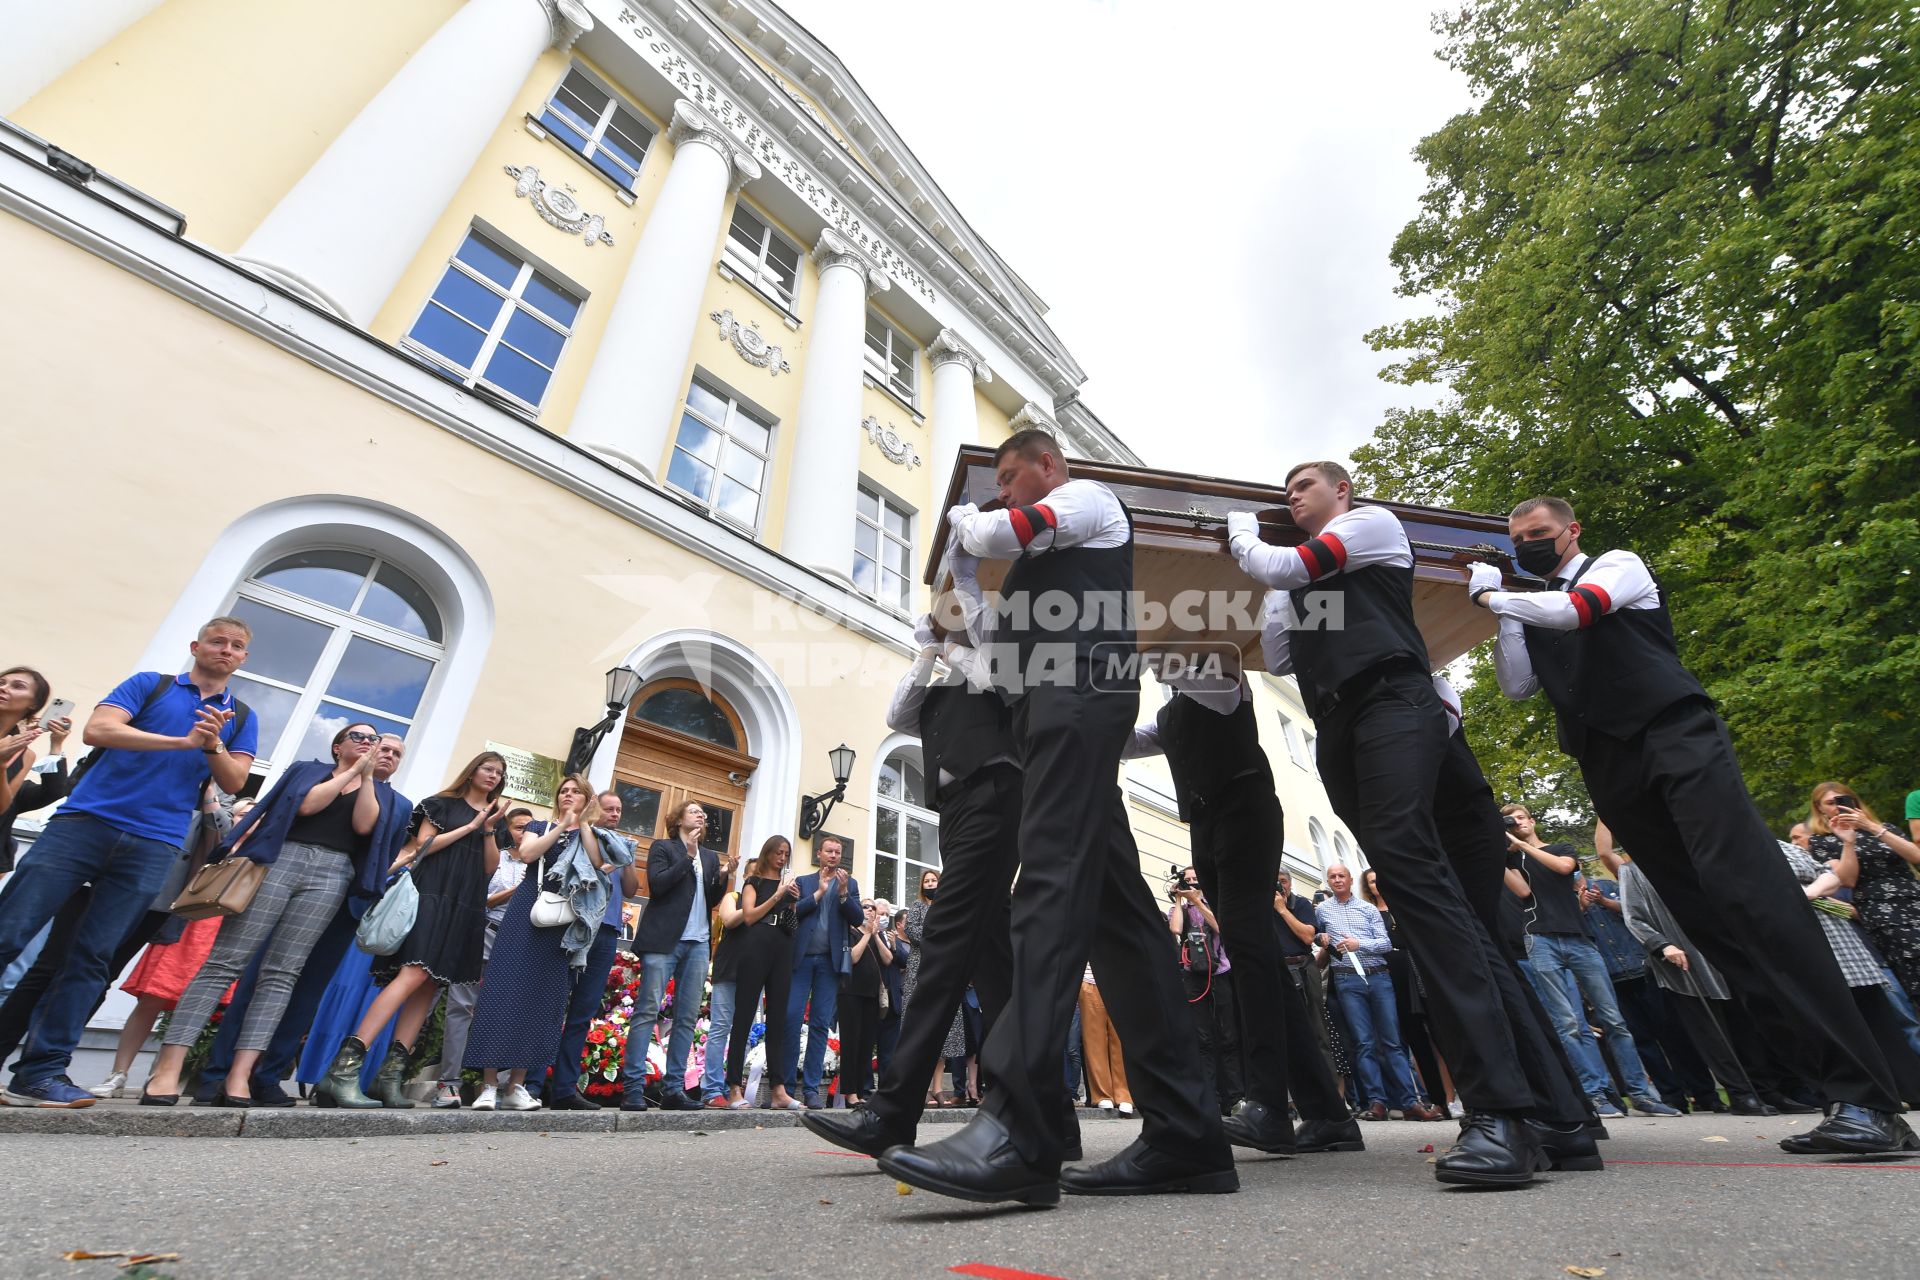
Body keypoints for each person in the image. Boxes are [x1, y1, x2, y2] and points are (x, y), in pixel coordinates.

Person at [1471, 495, 1914, 1154]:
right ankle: (1838, 1094)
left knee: (1751, 896)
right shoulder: (1528, 605)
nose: (1529, 544)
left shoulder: (1615, 566)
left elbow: (1577, 611)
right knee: (1712, 925)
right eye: (1519, 539)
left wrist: (1491, 599)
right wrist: (1506, 607)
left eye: (1539, 533)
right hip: (1607, 761)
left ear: (1572, 530)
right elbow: (1516, 686)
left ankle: (1875, 1102)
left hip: (1674, 736)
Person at [883, 431, 1233, 1206]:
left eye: (1014, 477)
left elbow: (1004, 528)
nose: (1006, 491)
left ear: (1050, 466)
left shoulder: (1088, 504)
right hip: (1047, 715)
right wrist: (967, 579)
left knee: (1045, 883)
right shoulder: (1035, 565)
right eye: (1000, 483)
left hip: (1081, 700)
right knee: (1123, 922)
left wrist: (967, 531)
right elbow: (997, 651)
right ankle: (1187, 1135)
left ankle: (1020, 1126)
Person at [1232, 463, 1542, 1183]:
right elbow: (1281, 652)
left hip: (1391, 702)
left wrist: (1243, 534)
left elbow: (1282, 559)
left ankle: (1502, 1111)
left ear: (1341, 490)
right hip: (1338, 719)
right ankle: (1538, 1112)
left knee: (1411, 868)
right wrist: (1282, 589)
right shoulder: (1310, 582)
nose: (1291, 496)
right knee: (1414, 883)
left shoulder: (1368, 525)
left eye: (1303, 484)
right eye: (1285, 492)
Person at [0, 618, 258, 1107]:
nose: (226, 650)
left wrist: (212, 744)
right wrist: (181, 742)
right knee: (9, 932)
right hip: (84, 824)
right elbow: (99, 729)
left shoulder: (240, 715)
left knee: (93, 959)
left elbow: (236, 780)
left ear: (244, 658)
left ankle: (40, 1073)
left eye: (237, 646)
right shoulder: (151, 685)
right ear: (196, 646)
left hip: (154, 844)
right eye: (218, 641)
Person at [141, 722, 398, 1106]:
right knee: (224, 963)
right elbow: (308, 805)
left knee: (283, 974)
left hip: (333, 874)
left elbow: (364, 825)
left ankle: (241, 1074)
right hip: (280, 861)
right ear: (337, 744)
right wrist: (349, 772)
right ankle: (168, 1069)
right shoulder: (308, 771)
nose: (368, 743)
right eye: (358, 736)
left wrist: (363, 778)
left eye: (373, 740)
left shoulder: (373, 789)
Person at [1119, 665, 1316, 1154]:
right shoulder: (1170, 714)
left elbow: (1207, 686)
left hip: (1244, 813)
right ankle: (1328, 1114)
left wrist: (1148, 640)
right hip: (1206, 824)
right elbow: (1125, 742)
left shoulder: (1224, 680)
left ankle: (1268, 1105)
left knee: (1250, 952)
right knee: (1259, 957)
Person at [205, 734, 411, 1107]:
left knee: (306, 993)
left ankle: (267, 1077)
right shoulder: (317, 776)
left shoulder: (399, 804)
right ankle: (217, 1074)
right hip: (285, 888)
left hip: (342, 905)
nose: (389, 755)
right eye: (384, 748)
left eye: (397, 754)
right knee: (257, 979)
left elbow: (384, 853)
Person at [312, 751, 505, 1108]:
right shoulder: (439, 805)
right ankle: (342, 1072)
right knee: (412, 976)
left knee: (428, 986)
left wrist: (488, 829)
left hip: (464, 904)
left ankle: (390, 1079)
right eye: (487, 768)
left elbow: (489, 867)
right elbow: (422, 847)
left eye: (499, 772)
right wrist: (469, 827)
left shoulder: (492, 820)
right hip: (429, 894)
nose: (493, 775)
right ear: (472, 770)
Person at [1503, 805, 1678, 1118]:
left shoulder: (1561, 848)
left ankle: (1640, 1094)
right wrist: (1497, 852)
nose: (1515, 822)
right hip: (1540, 939)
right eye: (1509, 820)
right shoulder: (1512, 858)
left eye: (1519, 816)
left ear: (1531, 820)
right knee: (1567, 1023)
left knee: (1614, 1020)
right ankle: (1593, 1094)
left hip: (1578, 939)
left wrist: (1525, 847)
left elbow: (1562, 868)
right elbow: (1523, 891)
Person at [463, 776, 616, 1112]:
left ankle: (517, 1085)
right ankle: (489, 1084)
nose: (569, 795)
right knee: (503, 993)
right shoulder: (539, 824)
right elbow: (530, 853)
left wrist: (583, 823)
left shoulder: (589, 833)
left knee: (544, 1000)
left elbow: (594, 862)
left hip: (563, 923)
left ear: (587, 798)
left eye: (576, 792)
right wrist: (561, 824)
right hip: (527, 913)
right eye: (564, 791)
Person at [85, 781, 237, 1098]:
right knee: (152, 998)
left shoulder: (262, 853)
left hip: (223, 931)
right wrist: (211, 795)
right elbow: (214, 837)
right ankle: (119, 1074)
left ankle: (162, 1075)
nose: (249, 819)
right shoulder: (213, 830)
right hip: (186, 923)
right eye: (243, 813)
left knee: (199, 1006)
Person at [1775, 829, 1920, 1118]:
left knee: (1880, 1016)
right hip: (1795, 933)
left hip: (1839, 935)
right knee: (1836, 1022)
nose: (1795, 841)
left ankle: (1909, 1089)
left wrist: (1810, 891)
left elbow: (1831, 875)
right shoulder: (1741, 851)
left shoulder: (1779, 848)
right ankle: (1858, 1098)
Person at [622, 800, 731, 1112]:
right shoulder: (663, 847)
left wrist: (723, 876)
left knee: (686, 1018)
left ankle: (673, 1090)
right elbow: (658, 886)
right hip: (663, 942)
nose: (701, 815)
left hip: (698, 944)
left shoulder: (711, 856)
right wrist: (688, 856)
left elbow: (711, 899)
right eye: (694, 810)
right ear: (679, 818)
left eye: (703, 813)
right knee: (646, 1012)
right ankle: (632, 1089)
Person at [1312, 865, 1436, 1122]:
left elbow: (1385, 943)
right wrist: (1321, 938)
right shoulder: (1322, 911)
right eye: (1332, 877)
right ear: (1328, 881)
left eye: (1341, 876)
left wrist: (1359, 944)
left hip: (1378, 976)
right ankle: (1376, 1102)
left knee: (1391, 1041)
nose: (1337, 880)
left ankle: (1409, 1102)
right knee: (1363, 1043)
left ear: (1349, 880)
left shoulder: (1368, 909)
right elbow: (1319, 939)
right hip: (1346, 978)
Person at [546, 790, 642, 1110]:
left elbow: (630, 889)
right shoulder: (582, 836)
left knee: (582, 1013)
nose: (615, 814)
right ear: (594, 808)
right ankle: (532, 1083)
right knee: (554, 1006)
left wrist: (626, 857)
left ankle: (563, 1089)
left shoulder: (619, 844)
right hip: (576, 926)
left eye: (619, 810)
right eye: (609, 808)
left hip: (608, 932)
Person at [433, 806, 533, 1108]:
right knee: (461, 1006)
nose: (525, 832)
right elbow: (482, 898)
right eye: (519, 827)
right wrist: (519, 890)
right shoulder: (496, 859)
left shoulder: (538, 864)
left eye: (529, 827)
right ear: (507, 830)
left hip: (519, 940)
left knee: (506, 1011)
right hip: (484, 933)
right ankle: (448, 1082)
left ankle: (500, 1084)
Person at [1806, 783, 1920, 1006]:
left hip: (1913, 897)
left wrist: (1871, 826)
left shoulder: (1883, 828)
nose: (1839, 806)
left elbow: (1916, 856)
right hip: (1881, 911)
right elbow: (1847, 880)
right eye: (1831, 803)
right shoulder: (1821, 841)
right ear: (1819, 809)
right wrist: (1848, 842)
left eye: (1844, 799)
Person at [1359, 867, 1451, 1117]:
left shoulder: (1405, 907)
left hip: (1418, 972)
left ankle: (1461, 1098)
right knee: (1414, 1041)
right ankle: (1436, 1100)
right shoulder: (1368, 914)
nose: (1377, 885)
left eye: (1380, 879)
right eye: (1372, 882)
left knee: (1441, 1035)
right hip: (1390, 978)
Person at [781, 834, 863, 1109]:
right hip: (801, 961)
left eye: (838, 852)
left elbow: (858, 918)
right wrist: (817, 892)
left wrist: (841, 894)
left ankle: (812, 1089)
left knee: (820, 1025)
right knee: (792, 1020)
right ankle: (788, 1087)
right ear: (819, 854)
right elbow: (793, 915)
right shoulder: (803, 882)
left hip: (830, 964)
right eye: (829, 851)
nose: (833, 856)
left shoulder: (849, 884)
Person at [723, 835, 800, 1110]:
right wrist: (777, 896)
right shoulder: (753, 882)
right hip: (755, 945)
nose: (782, 858)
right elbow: (750, 916)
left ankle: (779, 1090)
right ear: (767, 853)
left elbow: (792, 925)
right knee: (744, 1016)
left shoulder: (788, 885)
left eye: (786, 854)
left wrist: (790, 903)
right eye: (778, 852)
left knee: (778, 1018)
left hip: (782, 945)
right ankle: (734, 1087)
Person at [1162, 869, 1243, 1116]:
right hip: (1193, 977)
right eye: (1189, 880)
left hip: (1219, 975)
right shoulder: (1180, 910)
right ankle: (1210, 1097)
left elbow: (1220, 926)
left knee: (1228, 1037)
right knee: (1203, 1039)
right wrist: (1179, 899)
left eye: (1197, 879)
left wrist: (1197, 900)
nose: (1192, 883)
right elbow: (1175, 930)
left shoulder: (1214, 904)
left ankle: (1235, 1097)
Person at [0, 667, 71, 875]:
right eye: (1, 682)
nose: (4, 688)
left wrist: (56, 745)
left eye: (17, 686)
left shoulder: (22, 753)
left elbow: (3, 806)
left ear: (34, 704)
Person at [837, 897, 893, 1105]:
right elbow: (853, 958)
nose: (870, 910)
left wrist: (875, 934)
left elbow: (888, 960)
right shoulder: (850, 932)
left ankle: (860, 1091)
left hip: (871, 996)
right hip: (850, 993)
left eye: (873, 908)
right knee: (851, 1043)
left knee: (866, 1045)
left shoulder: (876, 936)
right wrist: (867, 933)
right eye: (865, 907)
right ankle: (850, 1092)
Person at [1078, 965, 1133, 1117]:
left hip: (1121, 980)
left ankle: (1124, 1094)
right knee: (1094, 1041)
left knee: (1121, 1040)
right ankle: (1102, 1094)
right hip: (1089, 979)